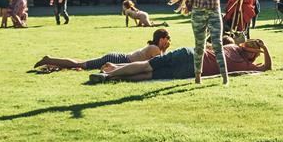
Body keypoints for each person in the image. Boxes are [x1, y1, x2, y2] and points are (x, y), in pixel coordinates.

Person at [92, 38, 272, 83]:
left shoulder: (231, 47)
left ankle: (111, 73)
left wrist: (257, 48)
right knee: (150, 75)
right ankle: (112, 77)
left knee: (147, 65)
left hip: (187, 53)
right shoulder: (245, 65)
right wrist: (264, 50)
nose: (256, 57)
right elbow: (266, 68)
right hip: (190, 69)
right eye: (256, 54)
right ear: (252, 53)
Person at [34, 28, 171, 71]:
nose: (169, 42)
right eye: (167, 39)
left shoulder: (153, 47)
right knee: (81, 64)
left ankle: (53, 63)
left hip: (118, 58)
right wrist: (165, 50)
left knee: (82, 63)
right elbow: (159, 64)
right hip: (117, 59)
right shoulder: (154, 48)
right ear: (162, 39)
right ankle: (49, 59)